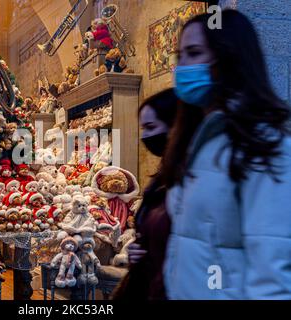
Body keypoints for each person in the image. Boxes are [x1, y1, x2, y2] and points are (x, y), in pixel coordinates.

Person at [162, 10, 291, 299]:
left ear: (230, 57)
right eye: (179, 56)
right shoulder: (198, 141)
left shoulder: (263, 145)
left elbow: (273, 268)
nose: (182, 68)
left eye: (194, 53)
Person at [112, 88, 178, 300]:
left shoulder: (191, 181)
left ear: (175, 125)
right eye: (143, 128)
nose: (146, 136)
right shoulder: (161, 179)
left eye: (151, 127)